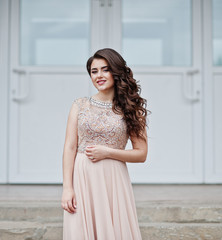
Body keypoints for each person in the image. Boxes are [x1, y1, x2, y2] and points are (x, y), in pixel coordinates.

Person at [61, 48, 149, 240]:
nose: (99, 75)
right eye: (94, 71)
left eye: (105, 69)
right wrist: (67, 188)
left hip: (113, 180)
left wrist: (108, 152)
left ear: (116, 72)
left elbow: (141, 154)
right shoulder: (79, 105)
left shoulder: (131, 109)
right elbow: (69, 148)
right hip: (83, 178)